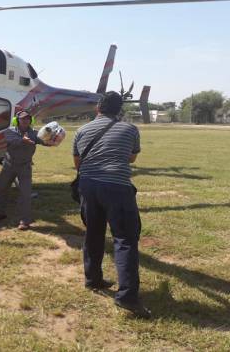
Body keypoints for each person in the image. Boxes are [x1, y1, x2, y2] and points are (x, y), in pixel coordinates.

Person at [73, 91, 150, 319]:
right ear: (119, 110)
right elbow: (132, 157)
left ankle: (93, 279)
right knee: (125, 239)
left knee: (94, 233)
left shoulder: (81, 130)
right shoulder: (129, 129)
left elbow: (78, 162)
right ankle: (127, 297)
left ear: (98, 108)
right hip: (116, 187)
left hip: (87, 186)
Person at [0, 110, 46, 230]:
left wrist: (51, 140)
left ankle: (25, 221)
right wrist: (23, 140)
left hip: (25, 167)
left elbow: (44, 141)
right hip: (9, 166)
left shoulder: (35, 134)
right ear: (17, 120)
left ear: (31, 120)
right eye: (22, 118)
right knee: (0, 189)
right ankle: (0, 213)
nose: (25, 120)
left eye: (27, 119)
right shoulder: (9, 131)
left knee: (25, 194)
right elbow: (12, 141)